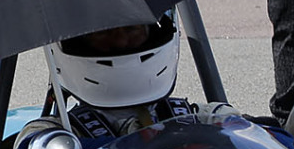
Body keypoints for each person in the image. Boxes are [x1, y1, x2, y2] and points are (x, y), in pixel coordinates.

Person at [47, 19, 195, 137]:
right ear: (77, 42)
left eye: (131, 29)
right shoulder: (53, 137)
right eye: (103, 32)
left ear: (154, 33)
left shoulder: (195, 116)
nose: (121, 41)